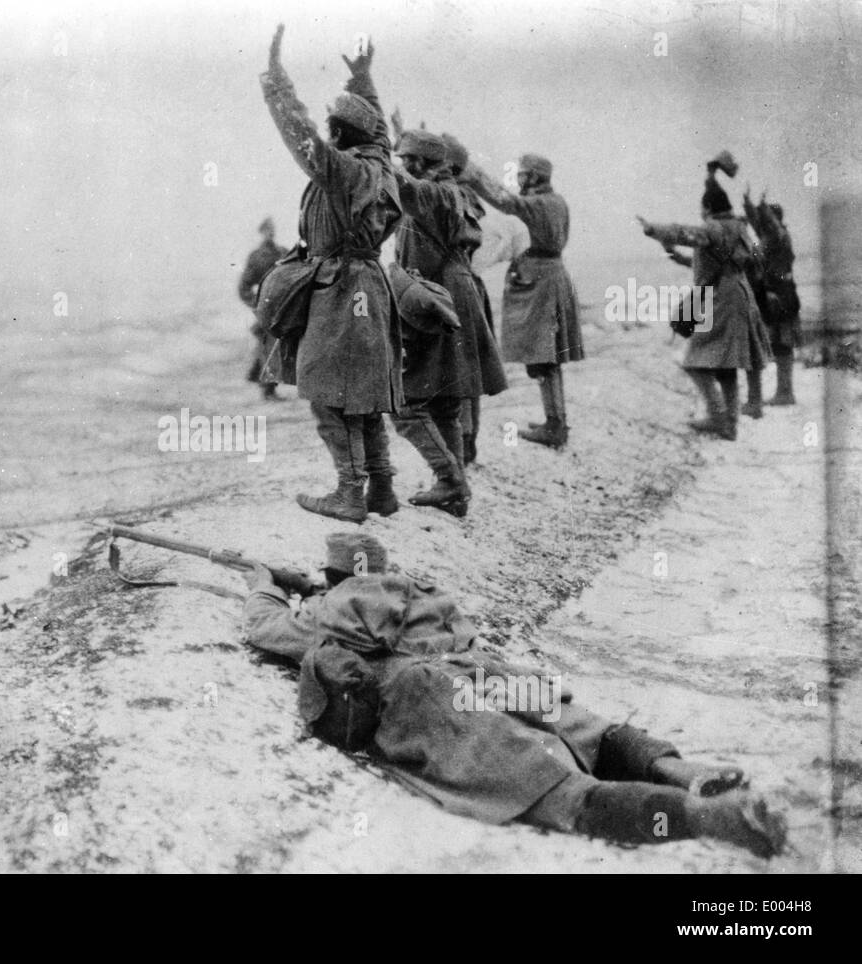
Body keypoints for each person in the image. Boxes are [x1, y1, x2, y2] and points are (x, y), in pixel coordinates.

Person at [241, 532, 788, 858]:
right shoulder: (420, 593)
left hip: (429, 695)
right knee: (591, 733)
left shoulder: (334, 610)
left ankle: (705, 818)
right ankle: (684, 773)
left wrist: (262, 584)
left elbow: (269, 628)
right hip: (491, 674)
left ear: (332, 576)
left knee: (550, 789)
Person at [258, 25, 403, 523]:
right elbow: (380, 132)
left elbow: (301, 136)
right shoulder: (379, 162)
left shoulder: (342, 169)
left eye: (332, 128)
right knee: (364, 389)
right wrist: (364, 82)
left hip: (340, 290)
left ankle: (348, 493)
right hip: (369, 284)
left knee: (326, 394)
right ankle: (381, 488)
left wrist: (277, 81)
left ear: (339, 135)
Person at [384, 124, 480, 517]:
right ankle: (454, 493)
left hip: (433, 300)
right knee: (444, 404)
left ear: (424, 163)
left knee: (405, 403)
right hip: (449, 295)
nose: (403, 166)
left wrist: (374, 142)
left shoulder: (435, 193)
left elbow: (402, 183)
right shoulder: (448, 191)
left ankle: (450, 479)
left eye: (408, 160)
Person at [460, 152, 583, 449]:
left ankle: (555, 426)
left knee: (544, 359)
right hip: (548, 277)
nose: (518, 179)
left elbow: (506, 201)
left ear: (535, 177)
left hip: (540, 281)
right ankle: (555, 421)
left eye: (523, 174)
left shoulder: (540, 204)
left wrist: (468, 168)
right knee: (545, 358)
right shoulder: (556, 201)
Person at [639, 170, 762, 441]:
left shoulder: (714, 228)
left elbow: (686, 233)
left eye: (702, 208)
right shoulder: (738, 228)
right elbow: (714, 260)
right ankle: (730, 423)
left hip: (720, 298)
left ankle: (718, 417)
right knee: (726, 366)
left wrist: (652, 229)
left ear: (707, 208)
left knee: (695, 361)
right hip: (738, 294)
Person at [442, 131, 508, 464]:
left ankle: (463, 442)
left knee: (459, 369)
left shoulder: (450, 195)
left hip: (451, 288)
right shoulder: (466, 196)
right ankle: (467, 441)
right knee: (469, 368)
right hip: (468, 286)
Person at [743, 188, 801, 406]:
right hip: (777, 295)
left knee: (783, 344)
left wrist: (761, 206)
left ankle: (785, 393)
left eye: (765, 217)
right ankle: (783, 392)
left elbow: (766, 224)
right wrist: (748, 204)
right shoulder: (770, 237)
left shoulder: (779, 236)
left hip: (782, 295)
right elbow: (758, 223)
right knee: (779, 344)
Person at [237, 217, 287, 401]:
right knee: (270, 346)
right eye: (267, 230)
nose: (271, 233)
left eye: (273, 229)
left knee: (275, 346)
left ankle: (258, 377)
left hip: (284, 308)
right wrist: (257, 304)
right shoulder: (256, 256)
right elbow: (243, 287)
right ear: (262, 232)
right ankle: (267, 389)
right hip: (266, 309)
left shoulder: (284, 253)